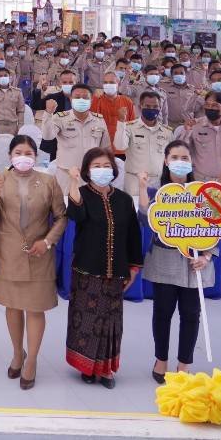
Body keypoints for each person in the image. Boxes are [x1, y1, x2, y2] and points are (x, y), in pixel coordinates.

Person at [0, 135, 66, 390]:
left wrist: (48, 241)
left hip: (39, 253)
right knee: (13, 307)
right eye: (18, 152)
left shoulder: (48, 182)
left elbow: (61, 217)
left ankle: (32, 360)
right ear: (10, 156)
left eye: (28, 152)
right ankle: (18, 353)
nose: (23, 157)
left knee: (35, 309)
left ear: (35, 157)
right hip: (9, 253)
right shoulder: (0, 179)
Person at [65, 147, 143, 388]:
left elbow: (133, 235)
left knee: (111, 322)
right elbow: (75, 216)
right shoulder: (82, 194)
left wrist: (134, 267)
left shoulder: (124, 200)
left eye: (106, 165)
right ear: (88, 171)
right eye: (96, 166)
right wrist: (72, 182)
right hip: (87, 270)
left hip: (116, 270)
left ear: (114, 169)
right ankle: (86, 367)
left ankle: (107, 370)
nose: (102, 170)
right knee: (86, 321)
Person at [138, 141, 215, 382]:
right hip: (164, 260)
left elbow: (215, 224)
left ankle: (184, 364)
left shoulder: (202, 192)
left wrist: (207, 256)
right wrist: (141, 188)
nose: (180, 162)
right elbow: (145, 221)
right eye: (175, 157)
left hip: (194, 262)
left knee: (191, 314)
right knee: (162, 312)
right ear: (165, 160)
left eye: (185, 157)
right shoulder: (156, 190)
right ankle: (161, 359)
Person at [41, 83, 111, 193]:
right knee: (66, 208)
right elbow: (47, 136)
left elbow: (105, 149)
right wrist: (48, 113)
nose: (81, 100)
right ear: (70, 98)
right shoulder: (60, 118)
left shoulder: (99, 120)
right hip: (66, 175)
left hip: (91, 175)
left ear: (91, 100)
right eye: (77, 97)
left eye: (85, 97)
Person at [113, 91, 173, 195]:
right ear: (140, 107)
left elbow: (171, 158)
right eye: (147, 106)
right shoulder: (129, 127)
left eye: (155, 106)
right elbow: (119, 145)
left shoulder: (167, 132)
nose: (151, 109)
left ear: (160, 107)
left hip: (156, 183)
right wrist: (121, 122)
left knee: (153, 211)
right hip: (133, 183)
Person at [174, 91, 221, 181]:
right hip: (199, 179)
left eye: (214, 105)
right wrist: (187, 131)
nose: (210, 108)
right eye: (207, 105)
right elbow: (181, 150)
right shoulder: (194, 125)